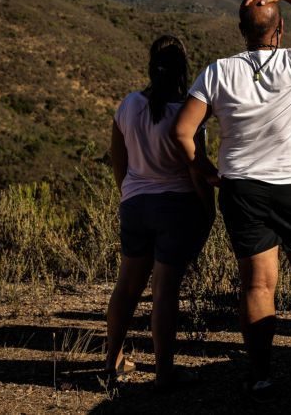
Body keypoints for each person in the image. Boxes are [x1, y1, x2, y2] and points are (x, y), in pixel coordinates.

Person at [173, 0, 291, 397]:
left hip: (243, 189)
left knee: (257, 285)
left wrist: (204, 168)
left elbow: (181, 131)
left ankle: (262, 373)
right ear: (282, 28)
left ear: (240, 31)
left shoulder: (217, 71)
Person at [105, 35, 214, 390]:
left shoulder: (129, 104)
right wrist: (208, 210)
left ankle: (113, 362)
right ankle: (164, 373)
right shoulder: (187, 113)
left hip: (135, 205)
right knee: (165, 292)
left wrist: (129, 192)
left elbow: (118, 159)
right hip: (176, 207)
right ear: (184, 69)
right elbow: (195, 169)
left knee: (127, 287)